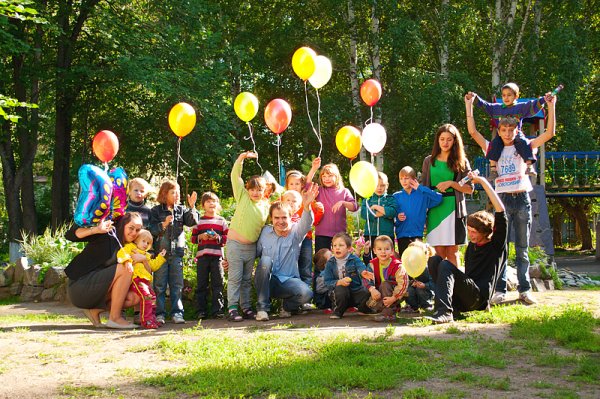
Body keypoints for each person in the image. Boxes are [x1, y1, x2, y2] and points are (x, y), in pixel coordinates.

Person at [465, 91, 556, 305]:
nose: (507, 133)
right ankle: (500, 288)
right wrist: (469, 105)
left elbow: (549, 133)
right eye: (503, 129)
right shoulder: (493, 148)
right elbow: (473, 132)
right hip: (502, 202)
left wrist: (551, 106)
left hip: (522, 199)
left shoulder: (524, 146)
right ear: (499, 130)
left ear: (517, 130)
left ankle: (524, 290)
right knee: (501, 247)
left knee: (523, 249)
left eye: (511, 129)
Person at [425, 172, 507, 324]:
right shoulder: (472, 246)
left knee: (446, 264)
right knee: (435, 260)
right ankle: (446, 307)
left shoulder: (496, 246)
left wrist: (482, 181)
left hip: (478, 299)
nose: (470, 235)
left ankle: (445, 313)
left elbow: (501, 210)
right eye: (469, 231)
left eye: (474, 232)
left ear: (485, 232)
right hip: (465, 297)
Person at [64, 213, 144, 329]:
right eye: (131, 228)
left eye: (137, 230)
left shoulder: (132, 247)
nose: (134, 233)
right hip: (80, 285)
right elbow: (70, 235)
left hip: (97, 289)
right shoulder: (108, 234)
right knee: (126, 267)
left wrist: (144, 259)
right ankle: (115, 318)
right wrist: (95, 230)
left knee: (134, 297)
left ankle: (94, 311)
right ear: (123, 225)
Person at [254, 183, 319, 321]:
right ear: (272, 219)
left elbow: (307, 223)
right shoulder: (265, 232)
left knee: (306, 293)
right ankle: (262, 309)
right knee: (264, 261)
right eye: (277, 218)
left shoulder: (296, 232)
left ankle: (287, 307)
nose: (281, 221)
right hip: (267, 280)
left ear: (290, 217)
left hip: (287, 281)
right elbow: (254, 253)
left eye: (284, 217)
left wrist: (306, 206)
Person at [225, 151, 270, 322]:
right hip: (235, 245)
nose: (255, 193)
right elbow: (235, 176)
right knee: (235, 277)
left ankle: (246, 307)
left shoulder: (265, 206)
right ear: (247, 190)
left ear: (264, 191)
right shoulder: (243, 197)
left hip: (251, 247)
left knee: (246, 279)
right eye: (252, 189)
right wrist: (241, 159)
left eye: (259, 190)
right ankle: (232, 308)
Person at [422, 124, 474, 267]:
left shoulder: (461, 161)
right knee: (436, 253)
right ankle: (438, 287)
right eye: (442, 139)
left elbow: (469, 189)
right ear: (437, 140)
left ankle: (455, 286)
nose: (445, 143)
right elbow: (424, 188)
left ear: (455, 141)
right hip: (434, 210)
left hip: (453, 209)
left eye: (449, 139)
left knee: (452, 252)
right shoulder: (429, 161)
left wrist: (451, 183)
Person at [148, 180, 199, 325]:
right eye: (173, 192)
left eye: (178, 192)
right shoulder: (156, 211)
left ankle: (177, 313)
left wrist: (192, 207)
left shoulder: (181, 210)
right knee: (159, 285)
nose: (177, 195)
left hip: (177, 253)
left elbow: (192, 221)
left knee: (177, 285)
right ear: (164, 194)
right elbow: (151, 230)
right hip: (161, 255)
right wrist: (163, 224)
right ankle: (159, 314)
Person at [471, 82, 547, 178]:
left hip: (516, 134)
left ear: (516, 96)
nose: (506, 98)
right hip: (501, 135)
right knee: (493, 144)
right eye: (504, 95)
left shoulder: (520, 107)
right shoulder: (497, 108)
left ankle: (529, 166)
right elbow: (485, 105)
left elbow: (533, 104)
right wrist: (475, 98)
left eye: (509, 95)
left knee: (524, 142)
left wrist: (544, 99)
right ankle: (493, 169)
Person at [284, 161, 324, 305]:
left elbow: (308, 182)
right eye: (291, 184)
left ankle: (306, 299)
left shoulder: (304, 198)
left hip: (305, 239)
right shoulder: (284, 200)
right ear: (287, 186)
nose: (294, 186)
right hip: (289, 240)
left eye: (297, 184)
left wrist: (313, 168)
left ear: (301, 186)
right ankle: (293, 299)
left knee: (306, 267)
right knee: (291, 268)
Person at [116, 229, 166, 329]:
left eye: (148, 243)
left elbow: (153, 267)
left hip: (145, 280)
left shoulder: (146, 255)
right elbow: (122, 253)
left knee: (152, 298)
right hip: (137, 278)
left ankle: (152, 319)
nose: (145, 244)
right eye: (143, 241)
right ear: (136, 240)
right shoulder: (130, 248)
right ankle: (146, 320)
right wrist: (127, 261)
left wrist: (160, 258)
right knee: (147, 297)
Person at [190, 192, 228, 319]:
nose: (212, 203)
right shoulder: (199, 221)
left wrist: (217, 237)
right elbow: (193, 239)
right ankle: (201, 310)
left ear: (218, 204)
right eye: (208, 201)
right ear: (203, 205)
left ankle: (218, 310)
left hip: (217, 257)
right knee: (202, 284)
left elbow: (227, 238)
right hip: (202, 257)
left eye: (214, 201)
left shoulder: (221, 221)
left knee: (218, 284)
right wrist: (201, 236)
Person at [322, 232, 375, 319]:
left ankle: (363, 308)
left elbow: (360, 267)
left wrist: (363, 272)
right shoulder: (330, 263)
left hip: (355, 291)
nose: (337, 248)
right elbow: (327, 282)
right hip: (340, 294)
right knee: (340, 289)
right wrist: (339, 282)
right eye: (334, 245)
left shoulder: (354, 259)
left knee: (368, 290)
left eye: (341, 245)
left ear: (349, 248)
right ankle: (338, 311)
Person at [392, 166, 442, 257]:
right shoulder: (396, 196)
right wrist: (397, 218)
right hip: (402, 235)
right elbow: (392, 216)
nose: (404, 181)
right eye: (401, 178)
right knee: (404, 263)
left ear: (414, 179)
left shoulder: (422, 195)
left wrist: (420, 187)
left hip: (417, 234)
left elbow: (438, 198)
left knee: (418, 262)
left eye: (406, 178)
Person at [313, 161, 358, 253]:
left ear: (336, 176)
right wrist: (314, 168)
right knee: (321, 262)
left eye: (330, 176)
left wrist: (343, 203)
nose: (327, 179)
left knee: (340, 262)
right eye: (324, 176)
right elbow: (305, 186)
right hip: (322, 234)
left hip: (339, 235)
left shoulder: (344, 191)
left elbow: (354, 207)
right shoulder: (319, 190)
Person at [365, 235, 409, 322]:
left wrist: (394, 298)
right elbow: (366, 279)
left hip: (396, 294)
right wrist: (372, 289)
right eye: (379, 249)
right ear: (374, 251)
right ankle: (391, 308)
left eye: (387, 249)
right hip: (379, 293)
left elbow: (403, 283)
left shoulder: (397, 266)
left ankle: (388, 314)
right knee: (365, 305)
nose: (383, 252)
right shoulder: (372, 265)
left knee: (385, 284)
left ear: (392, 251)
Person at [360, 172, 397, 263]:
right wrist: (384, 213)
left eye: (382, 185)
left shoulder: (390, 199)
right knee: (370, 258)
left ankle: (387, 275)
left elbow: (393, 212)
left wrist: (376, 207)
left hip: (386, 234)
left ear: (387, 186)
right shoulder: (368, 199)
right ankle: (371, 275)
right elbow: (364, 213)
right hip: (371, 234)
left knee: (387, 258)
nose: (379, 188)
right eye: (377, 185)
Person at [402, 241, 436, 313]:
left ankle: (427, 306)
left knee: (420, 290)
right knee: (409, 290)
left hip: (427, 291)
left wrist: (425, 285)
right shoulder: (408, 267)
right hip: (414, 291)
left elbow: (434, 284)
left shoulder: (429, 268)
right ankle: (412, 306)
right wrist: (411, 283)